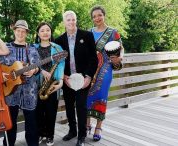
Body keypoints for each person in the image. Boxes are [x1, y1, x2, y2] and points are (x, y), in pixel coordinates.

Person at [55, 11, 98, 146]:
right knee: (68, 106)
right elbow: (57, 63)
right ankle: (72, 131)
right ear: (64, 22)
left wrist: (89, 77)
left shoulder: (87, 36)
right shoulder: (59, 41)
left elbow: (93, 59)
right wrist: (63, 76)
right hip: (67, 80)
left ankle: (82, 135)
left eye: (73, 19)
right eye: (68, 20)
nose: (71, 22)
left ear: (76, 20)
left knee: (81, 106)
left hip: (83, 80)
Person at [0, 20, 40, 146]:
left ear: (26, 33)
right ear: (14, 31)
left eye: (23, 31)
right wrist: (2, 75)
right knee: (10, 123)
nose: (20, 33)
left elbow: (38, 66)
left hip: (29, 91)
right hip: (10, 92)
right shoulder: (6, 48)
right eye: (18, 30)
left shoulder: (32, 48)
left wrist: (34, 70)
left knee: (31, 123)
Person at [86, 6, 124, 142]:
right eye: (94, 16)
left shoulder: (113, 32)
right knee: (87, 97)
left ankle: (98, 127)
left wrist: (119, 58)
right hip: (90, 71)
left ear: (104, 15)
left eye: (99, 15)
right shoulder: (89, 32)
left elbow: (121, 49)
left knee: (101, 97)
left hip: (105, 70)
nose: (97, 18)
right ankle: (87, 124)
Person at [34, 22, 65, 146]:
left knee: (51, 112)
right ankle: (41, 134)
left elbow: (62, 64)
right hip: (36, 84)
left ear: (51, 32)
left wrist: (61, 81)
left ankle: (50, 135)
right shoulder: (33, 47)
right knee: (38, 111)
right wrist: (41, 72)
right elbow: (30, 64)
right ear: (38, 33)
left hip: (53, 83)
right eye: (42, 30)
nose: (45, 32)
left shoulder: (58, 48)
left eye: (48, 30)